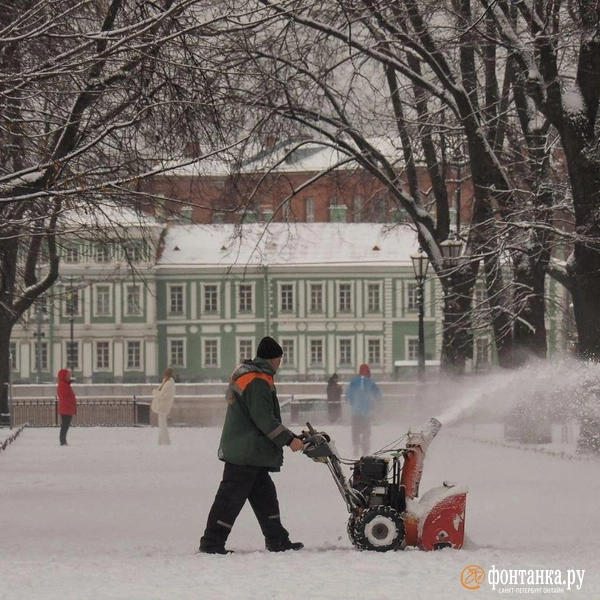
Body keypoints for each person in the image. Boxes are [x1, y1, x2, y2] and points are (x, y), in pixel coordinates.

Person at [199, 336, 305, 555]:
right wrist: (289, 440)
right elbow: (264, 420)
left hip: (250, 450)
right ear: (275, 359)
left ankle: (277, 540)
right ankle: (211, 544)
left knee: (265, 496)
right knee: (229, 499)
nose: (279, 364)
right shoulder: (257, 379)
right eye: (279, 359)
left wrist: (292, 436)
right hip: (245, 451)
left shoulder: (251, 374)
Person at [346, 364, 382, 456]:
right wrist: (377, 403)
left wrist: (352, 403)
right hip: (366, 412)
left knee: (355, 430)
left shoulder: (354, 381)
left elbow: (349, 394)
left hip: (356, 412)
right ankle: (365, 448)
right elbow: (377, 394)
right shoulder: (370, 382)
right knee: (366, 431)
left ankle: (356, 447)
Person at [151, 368, 176, 445]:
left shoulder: (168, 384)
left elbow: (162, 395)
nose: (163, 376)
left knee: (162, 425)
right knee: (161, 424)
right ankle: (162, 440)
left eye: (164, 374)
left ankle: (165, 441)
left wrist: (155, 392)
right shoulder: (167, 382)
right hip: (162, 405)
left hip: (163, 406)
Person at [57, 368, 77, 446]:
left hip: (66, 408)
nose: (69, 377)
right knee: (65, 425)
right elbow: (66, 395)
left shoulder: (63, 384)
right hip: (66, 408)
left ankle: (63, 440)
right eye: (68, 376)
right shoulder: (63, 385)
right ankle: (62, 440)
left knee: (65, 425)